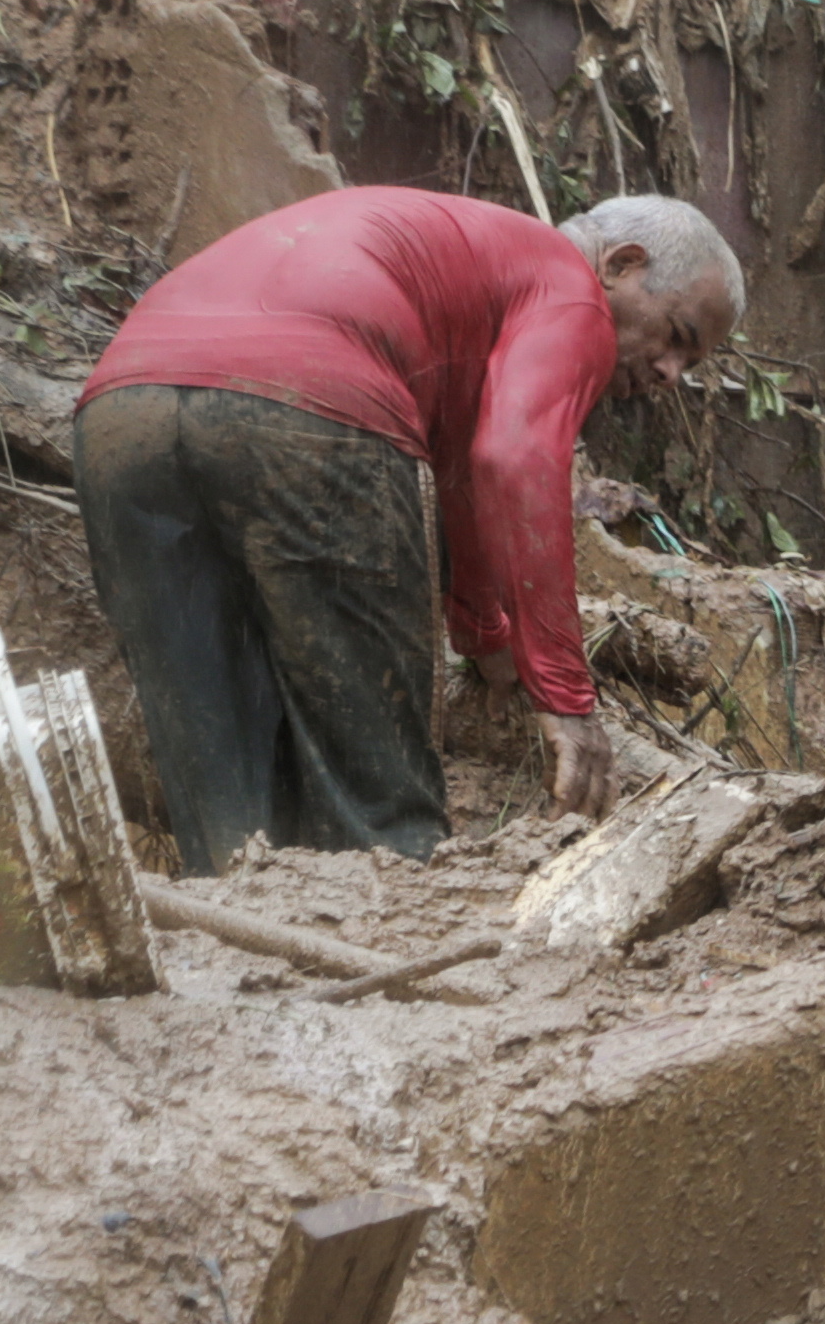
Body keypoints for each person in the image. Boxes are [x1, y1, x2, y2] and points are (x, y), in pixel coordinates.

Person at [77, 185, 744, 865]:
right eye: (678, 336)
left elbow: (467, 474)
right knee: (376, 798)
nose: (669, 372)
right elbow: (515, 460)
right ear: (622, 264)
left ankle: (236, 931)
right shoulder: (570, 286)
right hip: (308, 403)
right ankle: (400, 940)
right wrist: (567, 698)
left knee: (212, 765)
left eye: (688, 365)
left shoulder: (483, 275)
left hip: (121, 409)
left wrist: (486, 639)